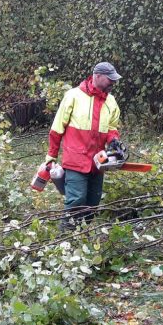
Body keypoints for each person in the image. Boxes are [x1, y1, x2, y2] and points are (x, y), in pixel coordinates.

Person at [44, 62, 124, 228]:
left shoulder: (111, 102)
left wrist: (113, 140)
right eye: (110, 80)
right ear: (97, 76)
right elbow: (57, 128)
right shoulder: (73, 96)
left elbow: (111, 128)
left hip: (98, 162)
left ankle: (82, 235)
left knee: (93, 202)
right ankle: (65, 239)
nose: (113, 84)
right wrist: (51, 156)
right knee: (76, 199)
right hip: (75, 159)